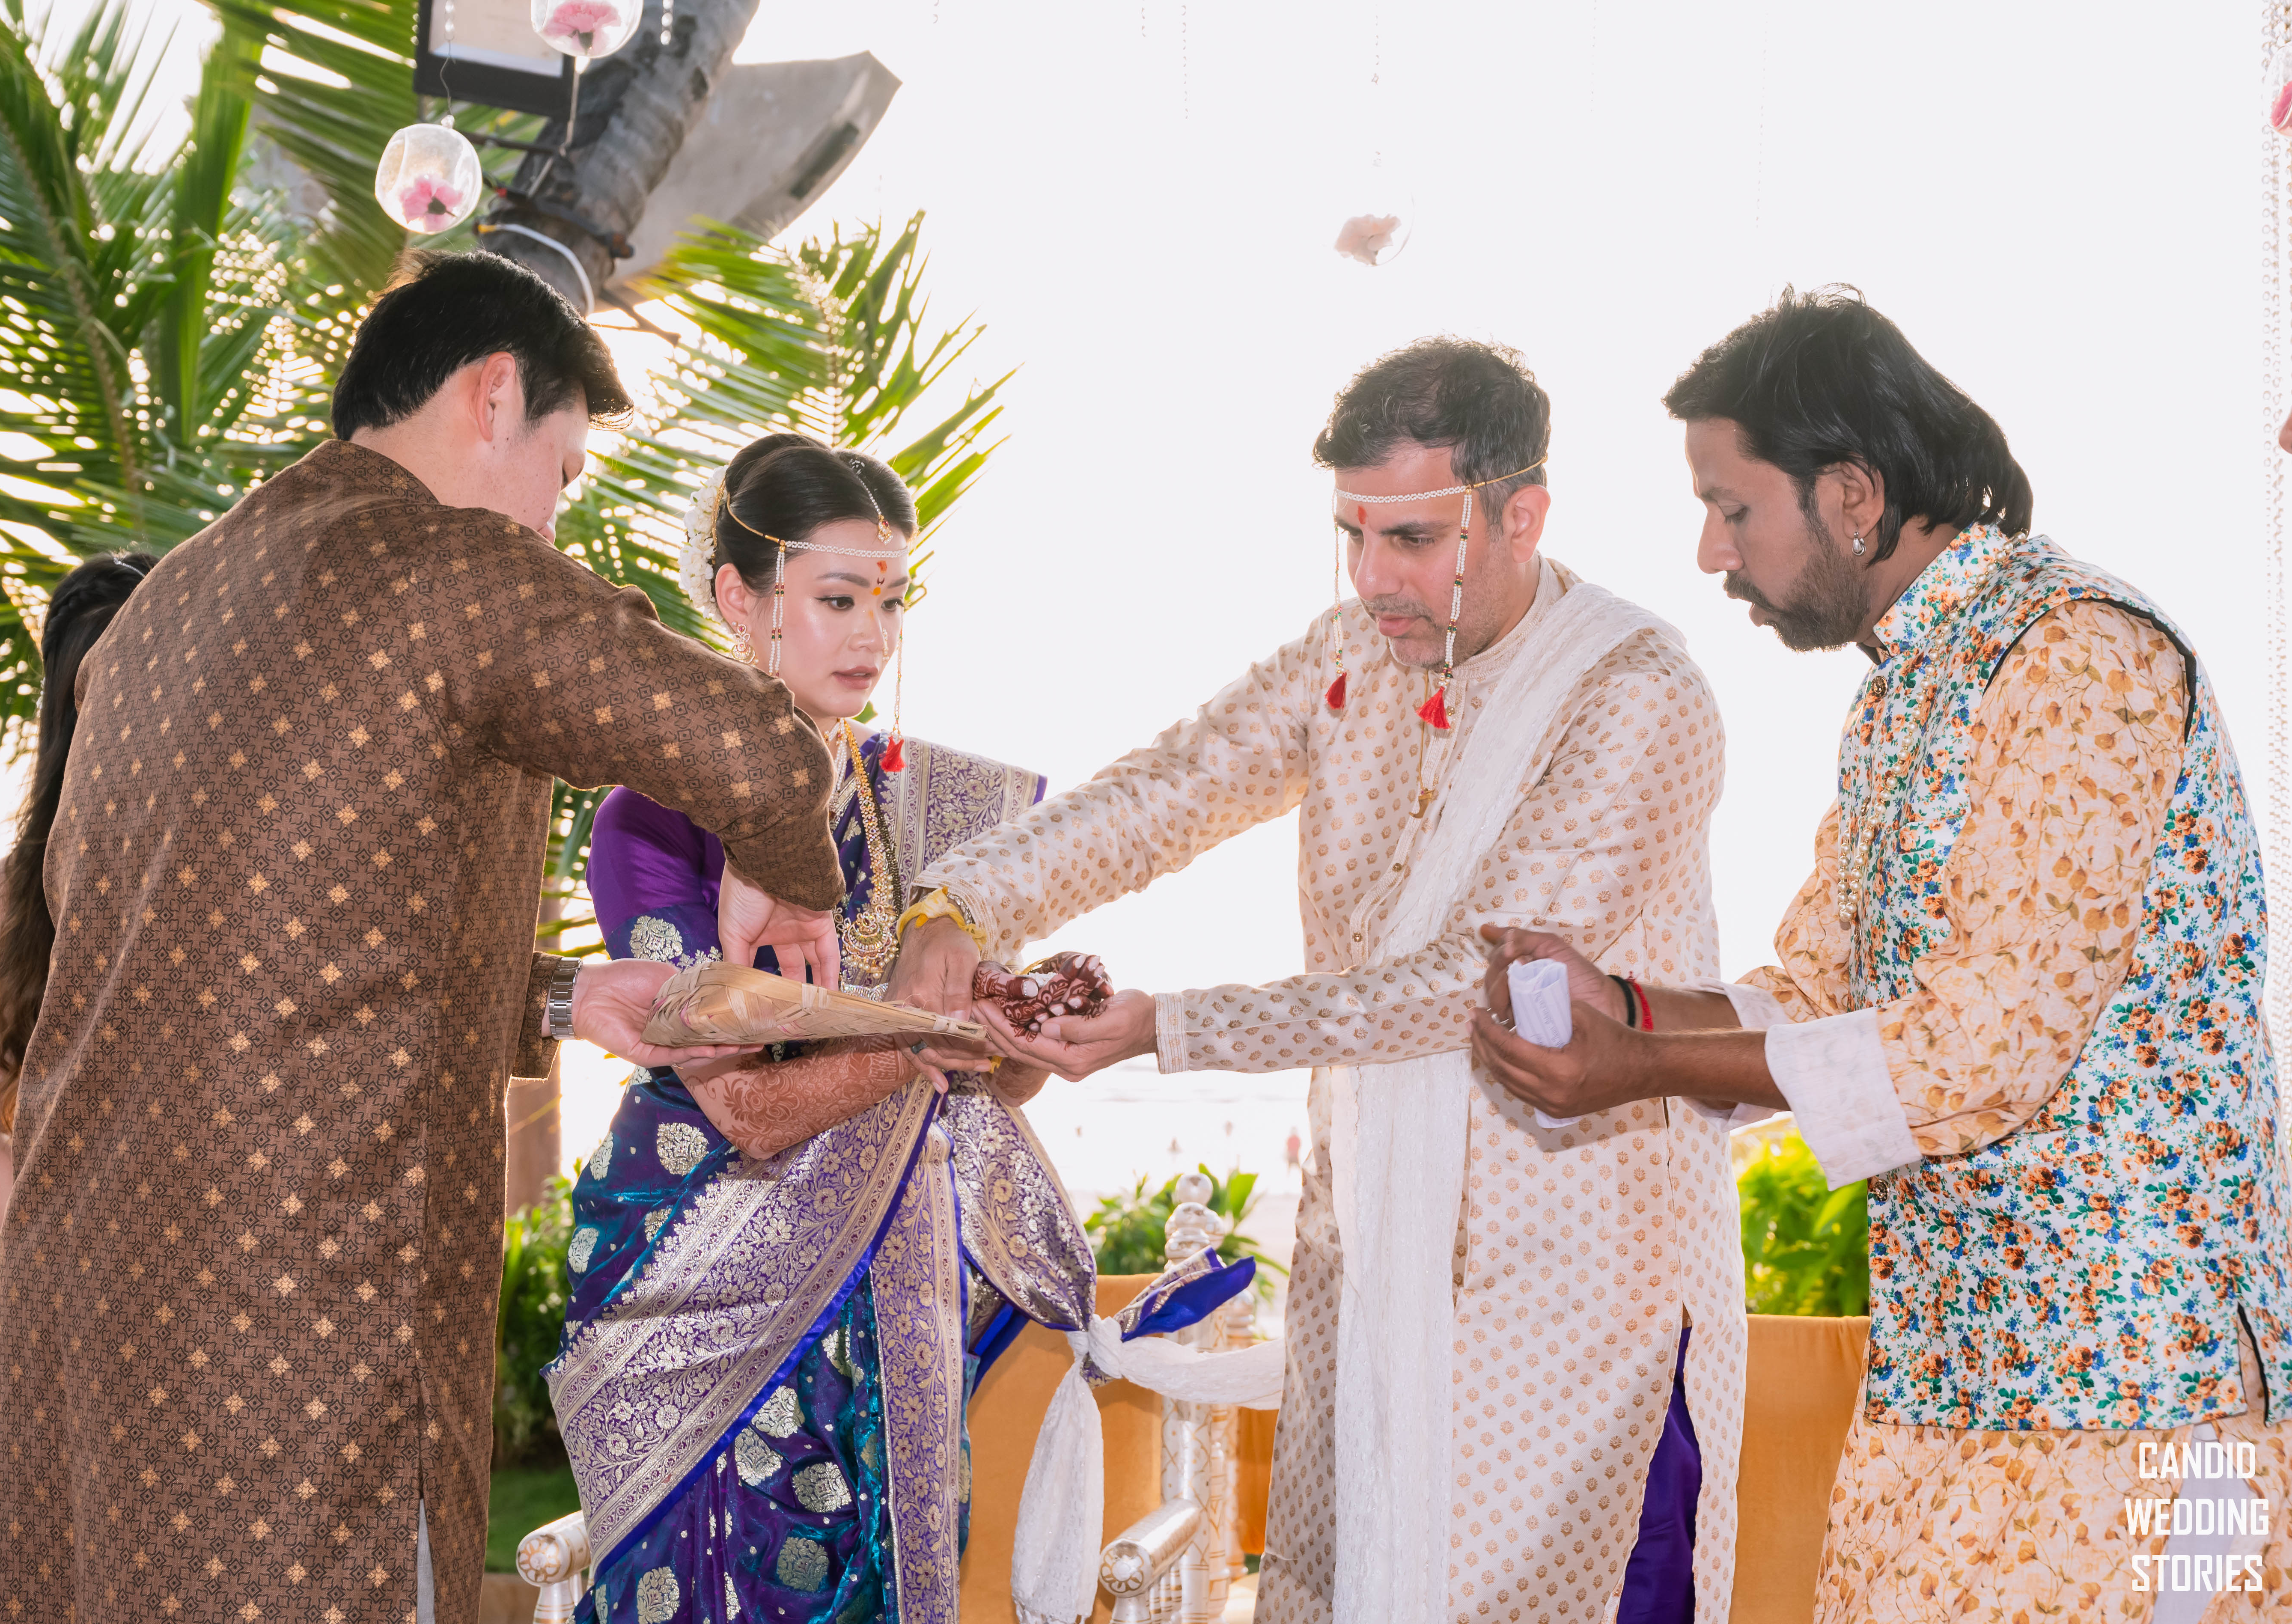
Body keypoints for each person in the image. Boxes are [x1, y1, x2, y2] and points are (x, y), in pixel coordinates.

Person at [0, 250, 848, 1622]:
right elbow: (761, 753)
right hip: (294, 1352)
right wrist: (786, 877)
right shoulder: (449, 565)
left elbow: (245, 955)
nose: (551, 524)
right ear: (493, 395)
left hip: (79, 1340)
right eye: (562, 474)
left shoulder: (168, 606)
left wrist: (559, 997)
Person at [894, 338, 1753, 1624]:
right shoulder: (1351, 659)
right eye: (1352, 534)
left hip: (1576, 1286)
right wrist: (964, 902)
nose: (1371, 577)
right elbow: (1170, 788)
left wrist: (1168, 1029)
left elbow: (1466, 982)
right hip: (1371, 1254)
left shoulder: (1636, 696)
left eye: (1411, 538)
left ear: (1521, 515)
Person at [1470, 287, 2292, 1620]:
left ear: (1852, 494)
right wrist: (1615, 1002)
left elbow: (1979, 1050)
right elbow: (1814, 994)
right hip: (1958, 1384)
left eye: (1733, 507)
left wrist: (1639, 1068)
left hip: (2151, 1396)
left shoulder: (2075, 654)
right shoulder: (1904, 695)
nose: (1710, 551)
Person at [547, 432, 1102, 1624]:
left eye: (890, 601)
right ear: (739, 598)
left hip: (894, 1279)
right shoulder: (657, 814)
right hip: (699, 1269)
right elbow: (744, 1106)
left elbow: (985, 1089)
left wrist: (1016, 1033)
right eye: (838, 598)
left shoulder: (931, 810)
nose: (872, 635)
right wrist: (923, 1043)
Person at [0, 551, 152, 1624]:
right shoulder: (14, 900)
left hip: (227, 1307)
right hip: (55, 1311)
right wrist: (73, 1236)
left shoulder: (251, 878)